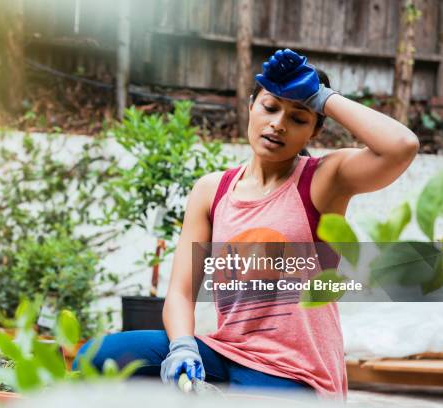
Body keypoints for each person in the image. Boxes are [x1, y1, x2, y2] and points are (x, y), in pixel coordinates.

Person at [72, 49, 419, 399]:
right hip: (228, 353)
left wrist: (322, 98)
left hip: (296, 373)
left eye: (299, 118)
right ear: (251, 105)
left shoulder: (322, 181)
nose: (279, 124)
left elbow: (401, 146)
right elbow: (180, 292)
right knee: (97, 357)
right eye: (270, 107)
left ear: (314, 130)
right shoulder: (212, 190)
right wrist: (181, 346)